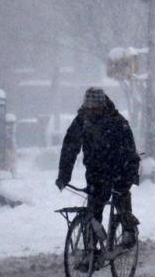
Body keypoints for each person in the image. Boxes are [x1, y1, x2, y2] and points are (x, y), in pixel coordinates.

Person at [55, 87, 140, 246]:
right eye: (89, 108)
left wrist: (129, 175)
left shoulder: (117, 122)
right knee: (93, 212)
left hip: (119, 170)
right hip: (95, 173)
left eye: (95, 108)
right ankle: (91, 251)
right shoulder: (82, 120)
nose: (92, 111)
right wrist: (64, 175)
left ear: (102, 106)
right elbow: (70, 148)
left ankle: (128, 231)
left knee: (121, 198)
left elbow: (130, 151)